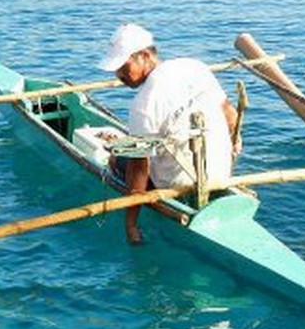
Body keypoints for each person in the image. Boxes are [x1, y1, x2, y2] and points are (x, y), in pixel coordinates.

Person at [99, 23, 239, 245]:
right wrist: (233, 144)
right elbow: (231, 115)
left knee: (119, 158)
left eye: (123, 67)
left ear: (144, 56)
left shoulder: (142, 104)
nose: (119, 75)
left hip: (177, 186)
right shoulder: (193, 66)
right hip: (221, 174)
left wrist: (131, 225)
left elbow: (139, 169)